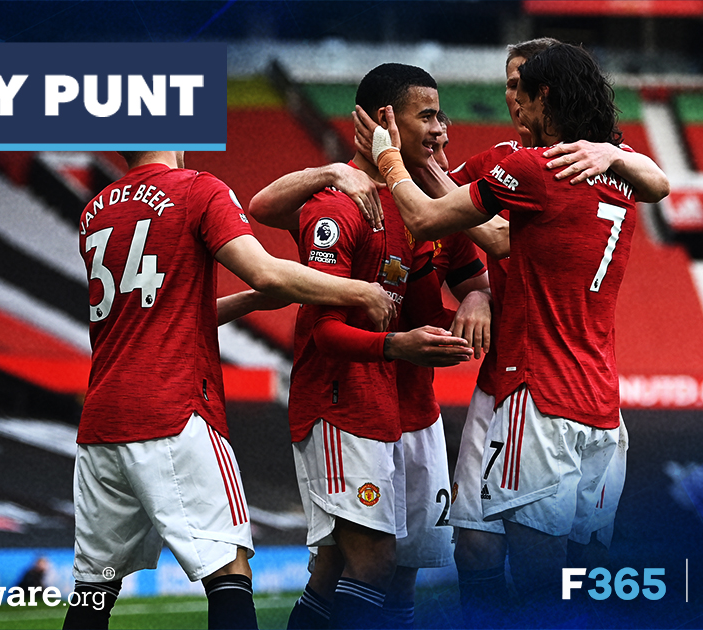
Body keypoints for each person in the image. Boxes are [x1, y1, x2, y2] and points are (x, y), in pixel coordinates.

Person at [355, 43, 641, 616]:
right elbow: (655, 184)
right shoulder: (617, 165)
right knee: (575, 576)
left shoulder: (532, 168)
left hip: (538, 392)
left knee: (539, 580)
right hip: (600, 401)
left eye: (522, 89)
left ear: (546, 96)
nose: (513, 100)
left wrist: (387, 157)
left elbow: (430, 218)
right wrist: (481, 291)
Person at [66, 150, 396, 630]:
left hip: (101, 421)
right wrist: (360, 291)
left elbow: (154, 314)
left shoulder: (95, 211)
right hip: (174, 411)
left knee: (94, 590)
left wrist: (251, 302)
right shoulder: (197, 189)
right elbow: (264, 269)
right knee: (229, 571)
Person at [250, 106, 491, 630]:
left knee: (400, 572)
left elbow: (477, 279)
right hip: (348, 405)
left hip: (416, 411)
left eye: (443, 119)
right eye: (427, 117)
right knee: (362, 565)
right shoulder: (345, 204)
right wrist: (333, 171)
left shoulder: (440, 211)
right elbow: (263, 209)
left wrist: (478, 298)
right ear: (386, 124)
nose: (441, 130)